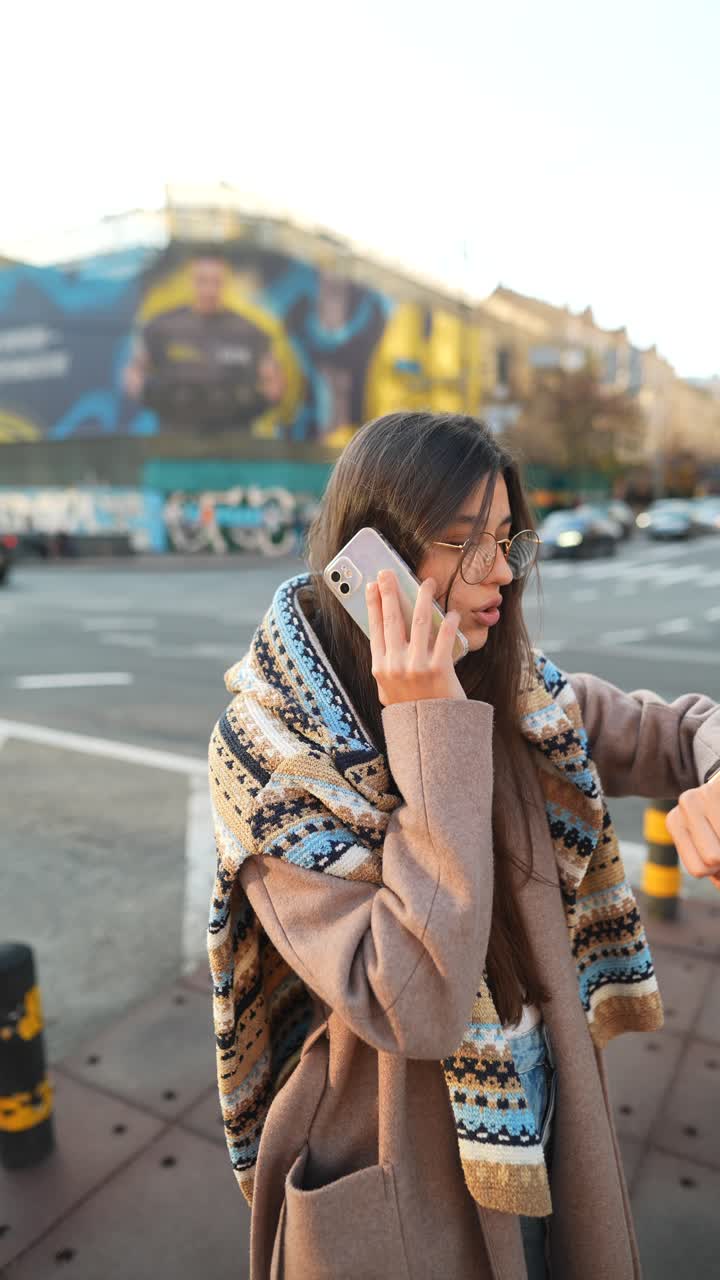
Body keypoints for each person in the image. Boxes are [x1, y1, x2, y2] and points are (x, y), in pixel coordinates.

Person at [207, 412, 720, 1280]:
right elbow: (416, 1005)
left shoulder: (520, 693)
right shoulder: (273, 761)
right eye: (460, 541)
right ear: (371, 555)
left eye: (507, 541)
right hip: (399, 1163)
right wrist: (431, 726)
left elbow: (680, 729)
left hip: (547, 1091)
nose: (502, 573)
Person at [123, 253, 285, 432]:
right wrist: (158, 401)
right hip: (175, 437)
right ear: (191, 282)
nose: (209, 289)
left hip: (234, 438)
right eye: (202, 280)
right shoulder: (162, 327)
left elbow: (274, 385)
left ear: (224, 283)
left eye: (216, 281)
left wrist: (248, 408)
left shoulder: (249, 332)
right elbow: (134, 373)